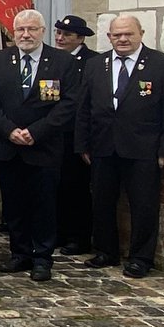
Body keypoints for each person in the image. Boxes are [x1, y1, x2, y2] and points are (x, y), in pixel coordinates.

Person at [75, 13, 164, 278]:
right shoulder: (96, 65)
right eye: (117, 35)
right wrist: (82, 145)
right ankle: (106, 251)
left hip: (144, 150)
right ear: (109, 37)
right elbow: (84, 108)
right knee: (102, 201)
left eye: (128, 34)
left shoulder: (163, 65)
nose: (122, 39)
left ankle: (140, 257)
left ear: (141, 34)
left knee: (144, 205)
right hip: (103, 147)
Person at [0, 9, 79, 281]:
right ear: (14, 32)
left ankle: (42, 257)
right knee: (13, 204)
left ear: (43, 31)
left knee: (44, 205)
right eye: (21, 30)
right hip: (7, 146)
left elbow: (69, 103)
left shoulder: (62, 61)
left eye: (32, 29)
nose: (26, 34)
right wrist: (9, 129)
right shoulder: (1, 59)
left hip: (43, 147)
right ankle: (20, 253)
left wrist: (36, 132)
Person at [53, 15, 99, 256]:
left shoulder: (92, 62)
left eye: (67, 35)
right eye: (58, 33)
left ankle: (78, 237)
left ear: (81, 38)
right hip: (53, 133)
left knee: (77, 188)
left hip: (76, 134)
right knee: (56, 186)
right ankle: (58, 231)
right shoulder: (52, 59)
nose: (60, 38)